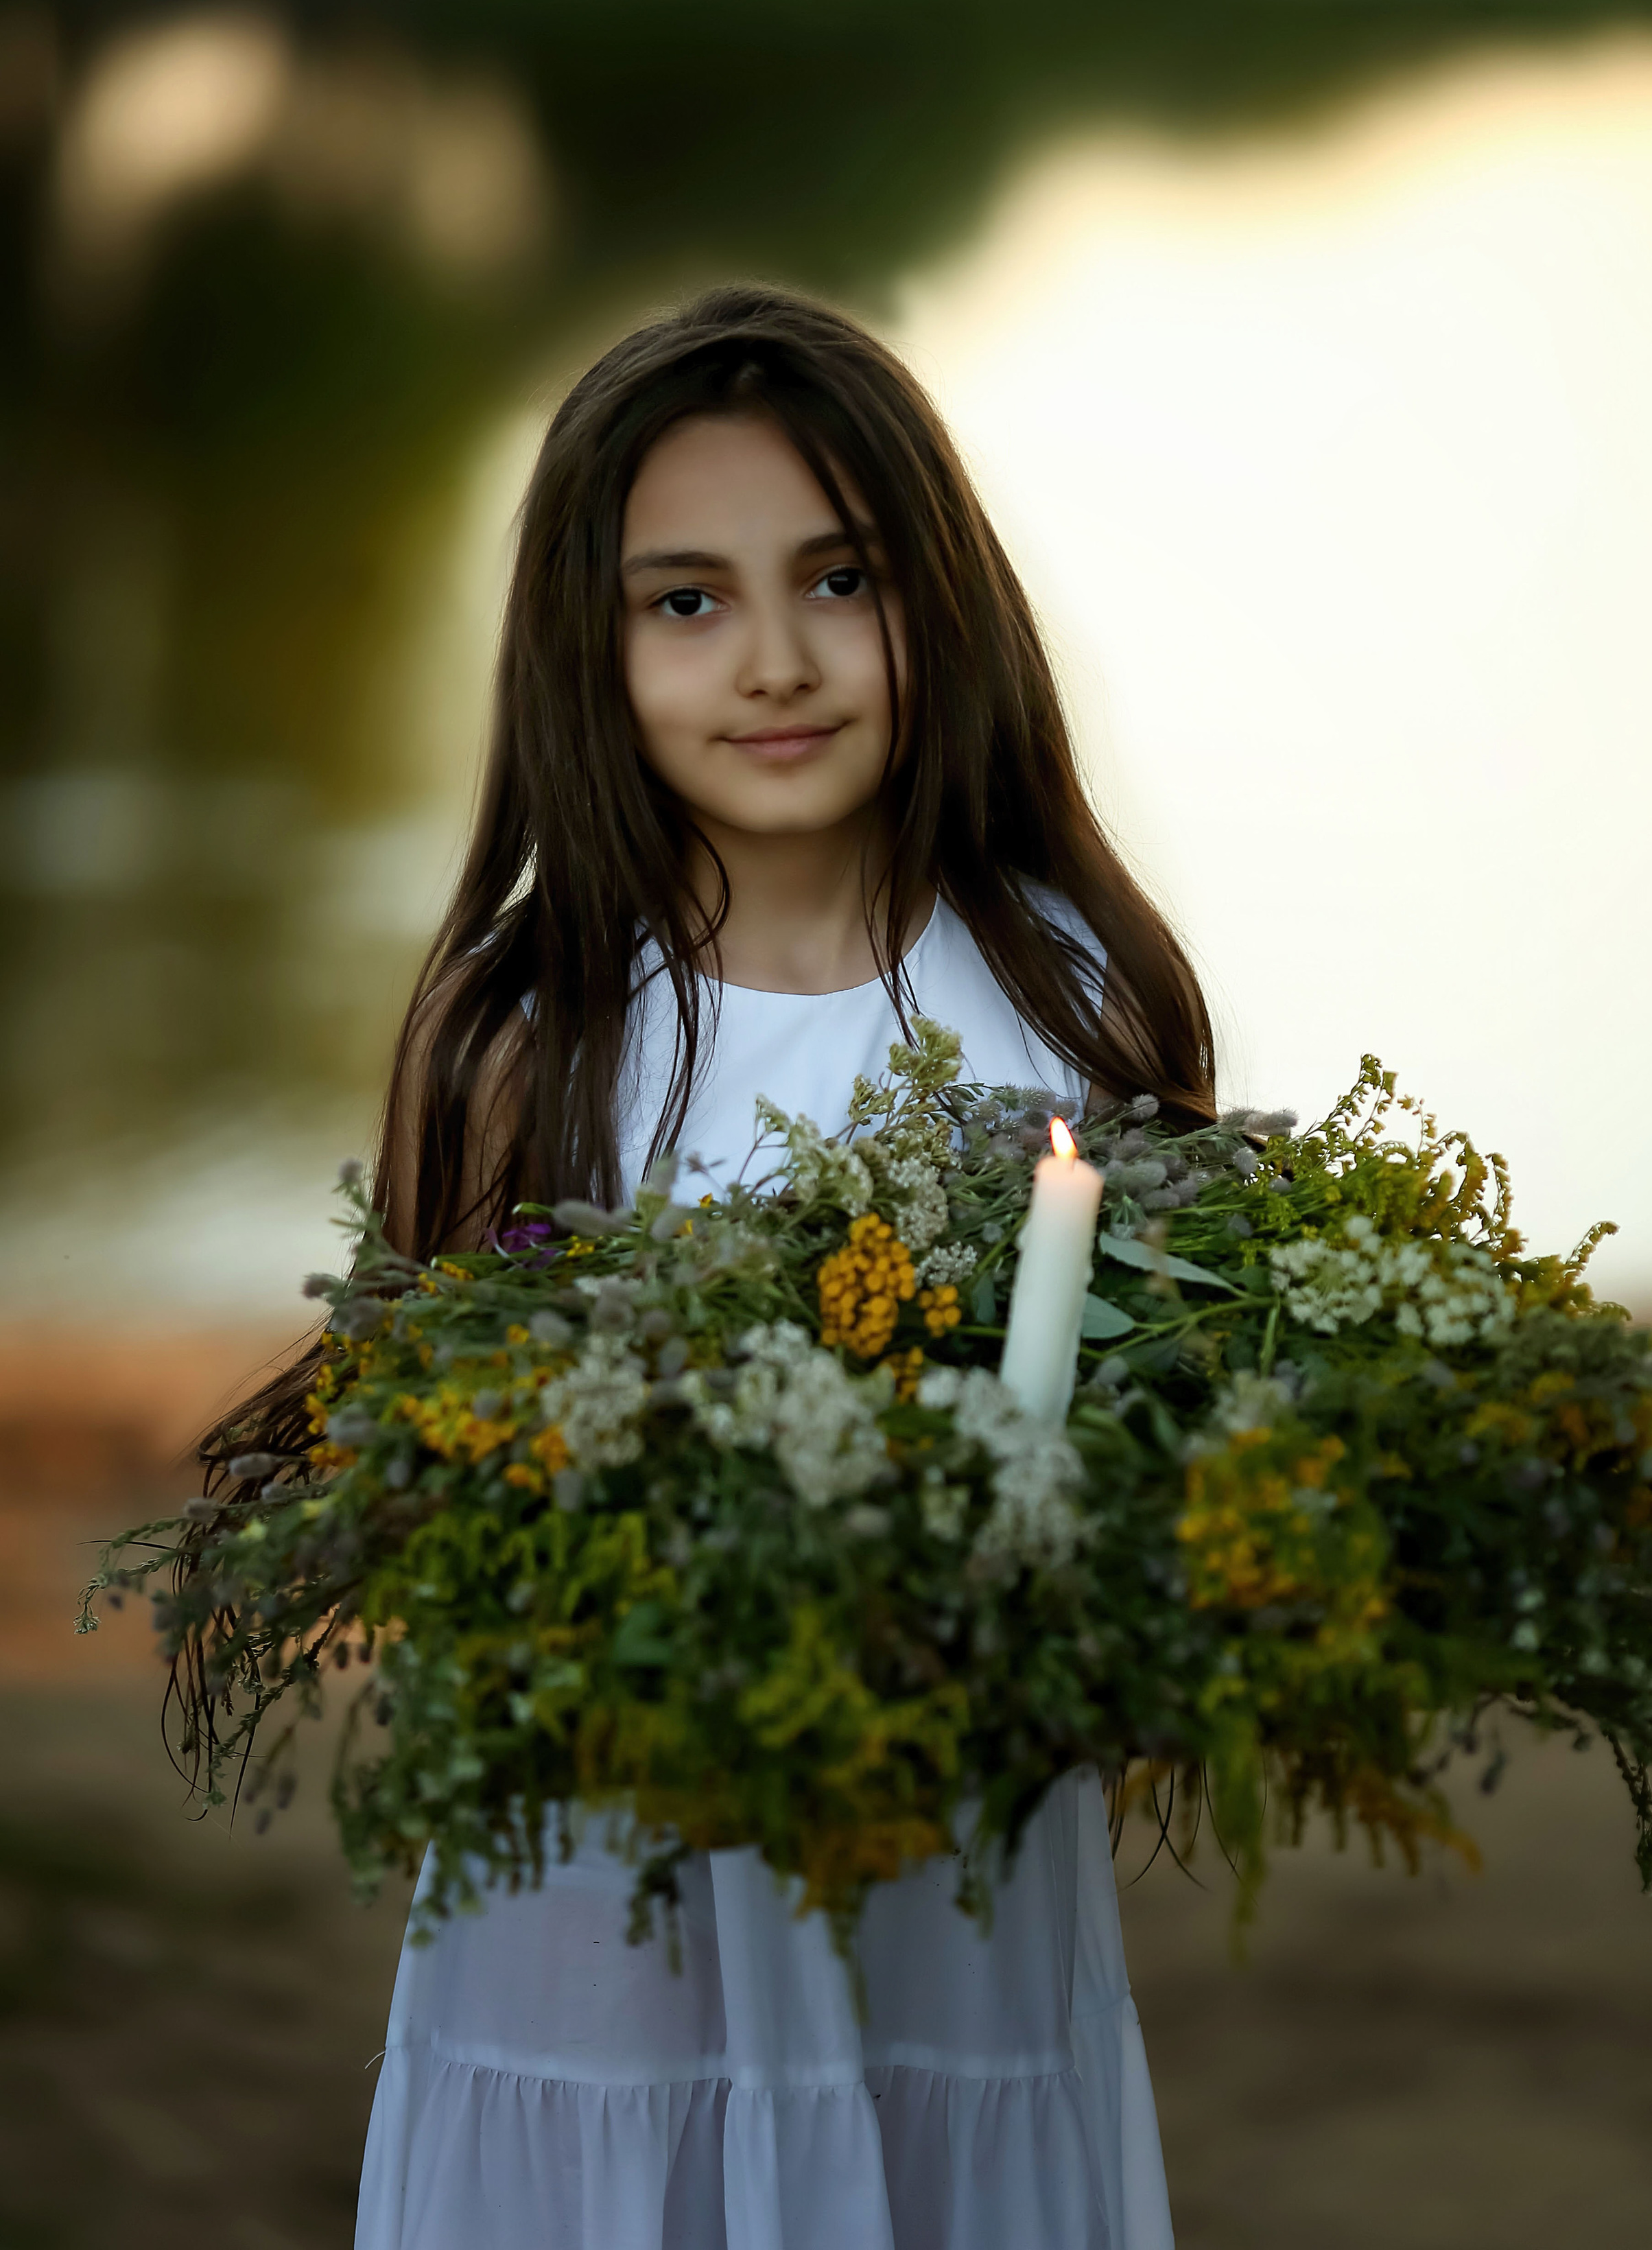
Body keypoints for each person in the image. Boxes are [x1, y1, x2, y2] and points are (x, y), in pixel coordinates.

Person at [230, 285, 1215, 2250]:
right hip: (613, 1912)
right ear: (583, 652)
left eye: (836, 578)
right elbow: (438, 1486)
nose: (774, 660)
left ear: (941, 595)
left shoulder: (1071, 1000)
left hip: (954, 1897)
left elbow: (1150, 1443)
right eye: (685, 601)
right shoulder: (535, 1031)